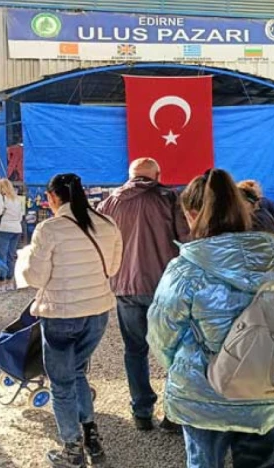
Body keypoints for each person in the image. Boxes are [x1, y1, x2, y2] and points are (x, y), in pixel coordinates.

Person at [147, 168, 274, 468]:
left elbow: (162, 333)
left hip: (204, 394)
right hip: (266, 388)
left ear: (192, 214)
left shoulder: (186, 269)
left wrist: (181, 370)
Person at [17, 173, 122, 468]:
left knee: (61, 384)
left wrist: (25, 263)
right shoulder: (108, 224)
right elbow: (112, 268)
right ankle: (93, 440)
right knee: (77, 372)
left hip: (61, 315)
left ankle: (72, 451)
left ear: (53, 198)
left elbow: (35, 277)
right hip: (98, 313)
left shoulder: (49, 229)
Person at [96, 157, 189, 432]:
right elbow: (187, 240)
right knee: (174, 350)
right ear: (157, 175)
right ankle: (173, 414)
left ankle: (141, 412)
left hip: (125, 287)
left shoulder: (110, 202)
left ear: (130, 176)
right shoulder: (170, 198)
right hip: (164, 287)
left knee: (135, 351)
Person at [0, 179, 25, 292]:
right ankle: (10, 282)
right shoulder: (17, 199)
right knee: (11, 255)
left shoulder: (0, 198)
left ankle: (0, 283)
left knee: (0, 256)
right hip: (16, 229)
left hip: (3, 229)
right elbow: (20, 215)